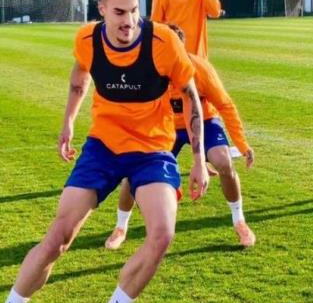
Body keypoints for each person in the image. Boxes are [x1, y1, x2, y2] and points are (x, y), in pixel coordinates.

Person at [0, 0, 208, 303]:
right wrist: (68, 122)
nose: (129, 21)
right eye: (119, 12)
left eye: (134, 10)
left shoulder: (163, 41)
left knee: (162, 233)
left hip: (151, 150)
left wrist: (197, 158)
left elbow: (192, 95)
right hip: (103, 147)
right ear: (101, 8)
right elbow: (79, 76)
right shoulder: (86, 40)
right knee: (58, 237)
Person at [105, 25, 256, 251]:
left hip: (204, 121)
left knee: (224, 162)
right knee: (134, 170)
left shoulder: (200, 68)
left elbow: (225, 105)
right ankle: (120, 227)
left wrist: (242, 144)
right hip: (166, 125)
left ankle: (239, 221)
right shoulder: (148, 71)